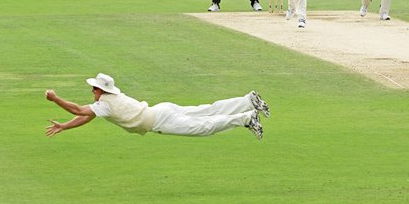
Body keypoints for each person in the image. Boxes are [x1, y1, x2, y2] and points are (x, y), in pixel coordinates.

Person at [45, 73, 270, 140]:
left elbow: (79, 111)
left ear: (101, 91)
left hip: (160, 120)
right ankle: (248, 101)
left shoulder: (105, 104)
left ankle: (247, 117)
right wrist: (65, 126)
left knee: (204, 126)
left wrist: (55, 98)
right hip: (160, 110)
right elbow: (86, 117)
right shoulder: (106, 102)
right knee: (207, 110)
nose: (91, 91)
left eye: (94, 89)